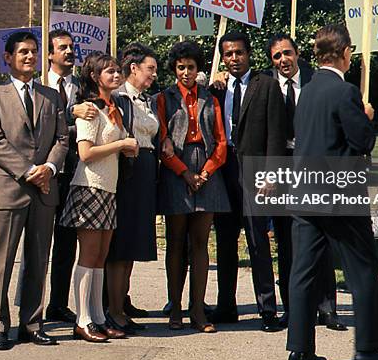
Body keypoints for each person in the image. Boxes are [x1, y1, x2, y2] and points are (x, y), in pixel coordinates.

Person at [287, 24, 378, 360]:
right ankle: (367, 349)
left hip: (304, 192)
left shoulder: (306, 91)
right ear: (345, 53)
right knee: (363, 269)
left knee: (303, 272)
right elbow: (362, 140)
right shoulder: (345, 92)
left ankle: (300, 349)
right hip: (340, 194)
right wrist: (367, 117)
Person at [0, 30, 69, 351]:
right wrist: (30, 171)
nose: (30, 57)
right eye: (23, 52)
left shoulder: (51, 96)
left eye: (34, 51)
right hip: (9, 190)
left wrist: (50, 169)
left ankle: (32, 323)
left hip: (45, 191)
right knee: (0, 262)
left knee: (38, 259)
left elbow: (62, 139)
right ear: (8, 58)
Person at [263, 33, 346, 331]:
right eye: (276, 56)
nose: (283, 60)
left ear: (297, 54)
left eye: (287, 53)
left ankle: (327, 308)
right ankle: (294, 309)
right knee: (287, 243)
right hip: (282, 170)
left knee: (322, 239)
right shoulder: (266, 83)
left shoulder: (317, 80)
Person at [208, 31, 287, 332]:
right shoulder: (218, 89)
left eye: (239, 53)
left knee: (257, 240)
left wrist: (271, 173)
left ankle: (267, 308)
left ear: (249, 54)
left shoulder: (266, 85)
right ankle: (226, 305)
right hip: (224, 169)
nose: (234, 59)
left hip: (255, 170)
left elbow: (276, 135)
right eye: (228, 54)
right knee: (225, 241)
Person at [59, 54, 138, 343]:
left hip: (109, 188)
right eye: (109, 71)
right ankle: (83, 319)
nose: (116, 76)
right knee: (89, 255)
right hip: (89, 187)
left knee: (101, 257)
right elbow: (85, 153)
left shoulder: (112, 107)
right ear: (94, 76)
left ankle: (99, 317)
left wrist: (127, 148)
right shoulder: (90, 110)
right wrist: (120, 144)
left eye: (118, 71)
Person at [158, 41, 229, 332]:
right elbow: (162, 140)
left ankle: (198, 309)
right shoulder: (163, 98)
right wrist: (185, 172)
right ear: (174, 69)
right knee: (176, 241)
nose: (186, 72)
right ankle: (174, 307)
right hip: (177, 167)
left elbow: (222, 141)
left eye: (191, 67)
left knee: (201, 242)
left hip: (207, 168)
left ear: (199, 68)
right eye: (181, 67)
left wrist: (206, 172)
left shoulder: (210, 99)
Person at [106, 43, 160, 333]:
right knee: (121, 246)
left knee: (134, 244)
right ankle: (113, 309)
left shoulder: (146, 100)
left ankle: (121, 304)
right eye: (150, 69)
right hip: (127, 172)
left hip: (146, 172)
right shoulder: (118, 98)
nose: (153, 74)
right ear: (134, 69)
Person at [44, 30, 81, 325]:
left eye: (71, 47)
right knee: (38, 243)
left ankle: (58, 303)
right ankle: (29, 306)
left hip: (73, 174)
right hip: (43, 173)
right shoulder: (38, 85)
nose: (69, 52)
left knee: (66, 243)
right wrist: (72, 117)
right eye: (63, 47)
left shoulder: (82, 87)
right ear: (50, 53)